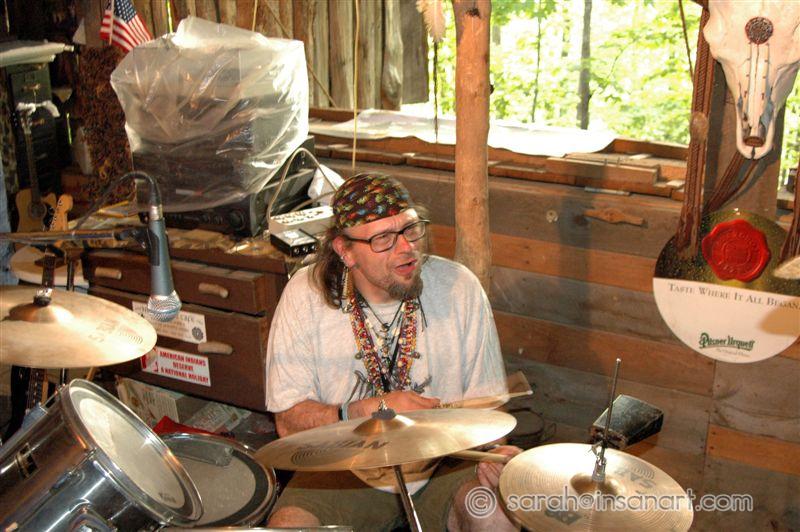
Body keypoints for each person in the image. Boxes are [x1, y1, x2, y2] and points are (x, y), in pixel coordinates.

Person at [265, 172, 520, 531]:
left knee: (494, 516)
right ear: (345, 251)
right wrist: (363, 411)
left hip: (443, 462)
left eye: (411, 229)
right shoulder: (305, 296)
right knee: (289, 525)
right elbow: (288, 422)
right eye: (383, 238)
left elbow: (488, 408)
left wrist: (493, 452)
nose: (406, 248)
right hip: (345, 467)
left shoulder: (460, 287)